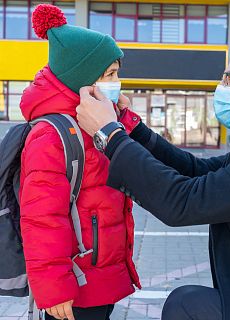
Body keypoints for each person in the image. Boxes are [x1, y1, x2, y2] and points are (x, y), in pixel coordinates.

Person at [76, 32, 230, 320]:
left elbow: (185, 201)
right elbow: (197, 171)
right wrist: (132, 128)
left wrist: (110, 135)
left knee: (186, 305)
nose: (221, 87)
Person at [19, 4, 140, 320]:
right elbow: (41, 217)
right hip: (76, 285)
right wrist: (54, 287)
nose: (117, 81)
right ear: (83, 78)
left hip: (102, 275)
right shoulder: (51, 134)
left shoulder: (95, 124)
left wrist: (120, 120)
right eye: (110, 74)